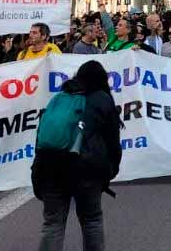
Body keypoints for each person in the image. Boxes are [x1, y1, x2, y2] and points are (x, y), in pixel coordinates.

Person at [32, 61, 122, 251]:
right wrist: (110, 170)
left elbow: (42, 137)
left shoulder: (59, 98)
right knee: (92, 220)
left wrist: (38, 171)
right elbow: (112, 141)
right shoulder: (102, 99)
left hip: (50, 166)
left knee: (52, 223)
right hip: (86, 170)